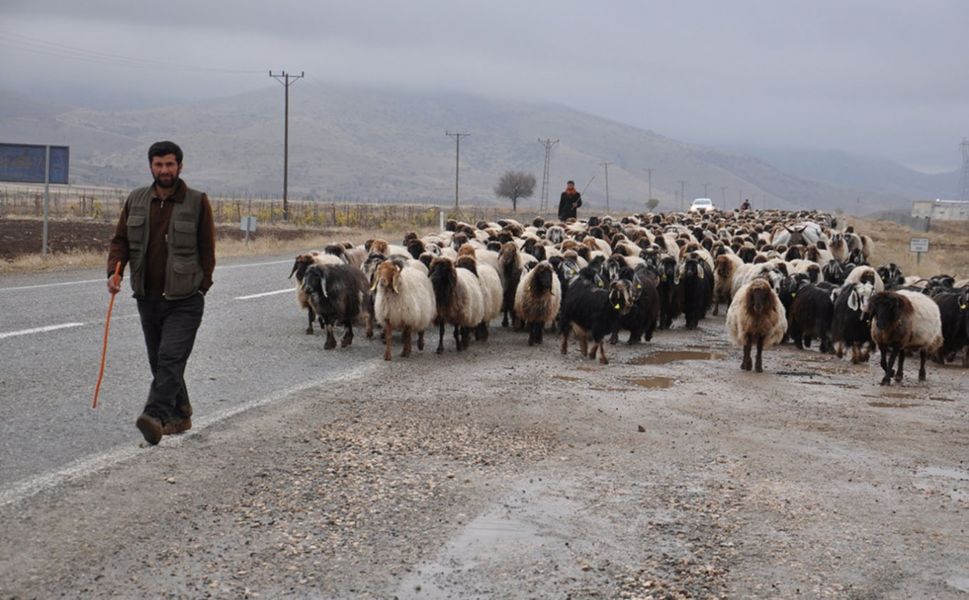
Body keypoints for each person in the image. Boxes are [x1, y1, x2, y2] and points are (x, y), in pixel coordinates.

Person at [107, 141, 216, 445]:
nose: (164, 170)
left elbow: (207, 250)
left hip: (185, 299)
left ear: (180, 166)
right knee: (159, 360)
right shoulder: (136, 199)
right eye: (159, 164)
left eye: (170, 164)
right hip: (147, 296)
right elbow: (120, 241)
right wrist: (114, 272)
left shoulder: (196, 201)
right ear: (151, 166)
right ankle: (181, 414)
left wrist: (201, 287)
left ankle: (154, 415)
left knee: (170, 356)